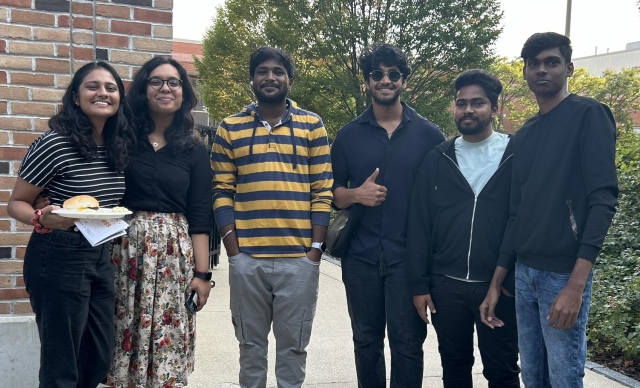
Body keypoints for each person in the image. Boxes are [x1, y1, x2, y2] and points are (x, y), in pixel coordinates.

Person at [481, 32, 619, 388]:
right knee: (533, 376)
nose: (542, 70)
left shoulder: (590, 115)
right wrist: (498, 280)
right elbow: (516, 211)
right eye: (534, 64)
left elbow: (603, 199)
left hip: (563, 274)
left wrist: (576, 284)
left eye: (551, 62)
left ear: (569, 67)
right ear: (525, 72)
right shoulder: (525, 134)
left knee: (564, 377)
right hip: (524, 273)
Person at [210, 46, 333, 388]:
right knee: (250, 347)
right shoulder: (229, 128)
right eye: (262, 71)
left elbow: (323, 190)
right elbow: (221, 190)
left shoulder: (312, 125)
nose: (270, 77)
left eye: (278, 71)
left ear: (290, 80)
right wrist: (233, 252)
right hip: (248, 260)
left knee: (294, 349)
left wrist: (315, 252)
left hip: (299, 261)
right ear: (252, 78)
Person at [7, 61, 132, 388]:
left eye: (111, 87)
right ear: (76, 97)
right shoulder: (54, 143)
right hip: (57, 253)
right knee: (61, 364)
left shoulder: (116, 145)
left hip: (101, 253)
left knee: (97, 356)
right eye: (92, 86)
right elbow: (16, 202)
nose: (102, 93)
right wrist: (41, 218)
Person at [330, 43, 444, 388]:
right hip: (361, 257)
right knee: (365, 340)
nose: (385, 80)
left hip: (408, 259)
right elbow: (331, 194)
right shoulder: (348, 136)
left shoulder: (429, 135)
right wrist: (356, 195)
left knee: (408, 343)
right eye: (377, 74)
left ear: (403, 82)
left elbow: (441, 201)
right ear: (367, 82)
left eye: (393, 74)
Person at [406, 69, 519, 387]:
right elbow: (419, 224)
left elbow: (521, 220)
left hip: (498, 286)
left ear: (495, 108)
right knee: (454, 367)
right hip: (446, 286)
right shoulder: (438, 158)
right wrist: (419, 284)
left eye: (478, 103)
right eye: (461, 103)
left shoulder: (515, 155)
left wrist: (506, 278)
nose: (468, 109)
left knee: (502, 370)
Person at [106, 57, 214, 388]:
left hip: (174, 259)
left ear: (184, 92)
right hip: (126, 254)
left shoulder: (195, 149)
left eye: (174, 82)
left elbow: (200, 215)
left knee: (170, 338)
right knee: (124, 332)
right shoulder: (120, 137)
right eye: (156, 81)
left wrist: (202, 274)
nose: (165, 88)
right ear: (143, 89)